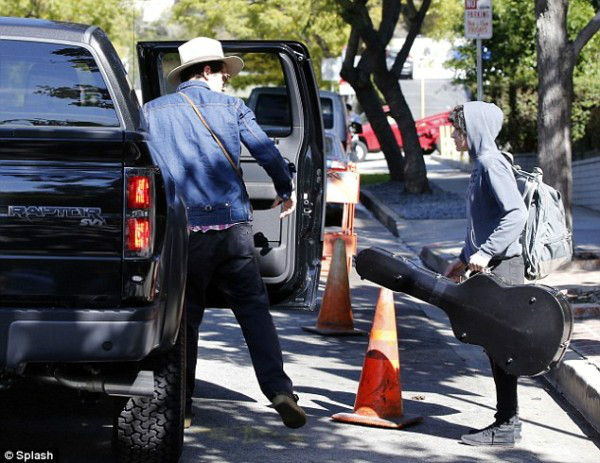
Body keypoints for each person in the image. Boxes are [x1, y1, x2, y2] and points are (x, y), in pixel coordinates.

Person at [143, 37, 306, 430]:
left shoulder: (151, 112)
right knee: (253, 310)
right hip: (232, 228)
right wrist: (285, 189)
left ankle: (180, 403)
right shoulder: (232, 108)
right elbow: (267, 151)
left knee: (186, 318)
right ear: (207, 71)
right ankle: (279, 389)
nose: (227, 81)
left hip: (184, 234)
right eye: (223, 73)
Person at [444, 102, 528, 447]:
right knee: (496, 346)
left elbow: (516, 214)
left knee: (502, 346)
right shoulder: (482, 165)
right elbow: (483, 221)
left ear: (474, 130)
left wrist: (486, 252)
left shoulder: (492, 164)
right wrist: (464, 259)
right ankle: (506, 420)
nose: (453, 134)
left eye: (458, 129)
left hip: (504, 267)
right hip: (491, 264)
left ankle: (507, 424)